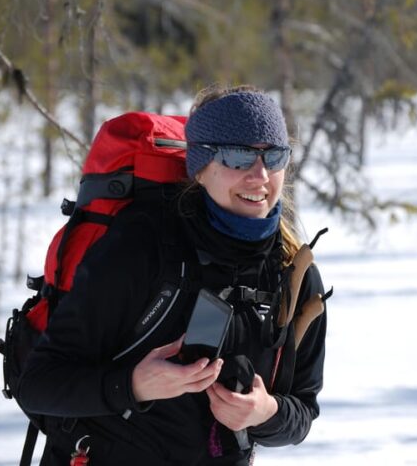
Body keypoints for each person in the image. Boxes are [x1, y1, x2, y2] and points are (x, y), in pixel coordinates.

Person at [17, 86, 328, 465]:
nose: (260, 175)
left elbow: (302, 410)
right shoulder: (142, 246)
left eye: (274, 156)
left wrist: (266, 413)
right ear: (201, 167)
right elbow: (38, 384)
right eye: (239, 156)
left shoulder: (291, 271)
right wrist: (133, 385)